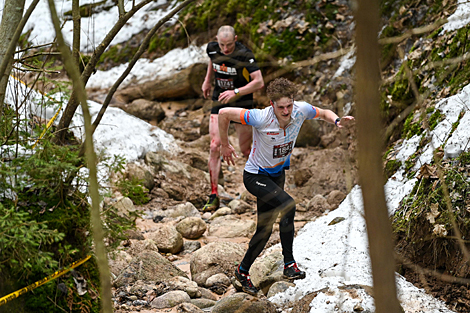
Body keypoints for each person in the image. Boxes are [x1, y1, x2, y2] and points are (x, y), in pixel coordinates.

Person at [218, 77, 355, 296]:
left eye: (289, 105)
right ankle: (289, 265)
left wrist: (337, 121)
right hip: (255, 176)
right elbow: (224, 114)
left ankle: (242, 272)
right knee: (288, 205)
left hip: (277, 175)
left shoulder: (300, 110)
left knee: (264, 229)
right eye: (280, 107)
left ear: (293, 101)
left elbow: (322, 112)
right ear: (272, 104)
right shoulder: (260, 117)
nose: (285, 111)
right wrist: (225, 144)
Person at [201, 25, 264, 212]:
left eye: (229, 45)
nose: (226, 49)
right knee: (214, 145)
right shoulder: (212, 48)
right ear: (217, 40)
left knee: (245, 150)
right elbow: (213, 62)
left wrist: (236, 91)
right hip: (219, 101)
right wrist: (207, 80)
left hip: (241, 102)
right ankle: (213, 194)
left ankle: (262, 188)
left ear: (235, 39)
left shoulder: (245, 54)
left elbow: (259, 82)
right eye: (222, 45)